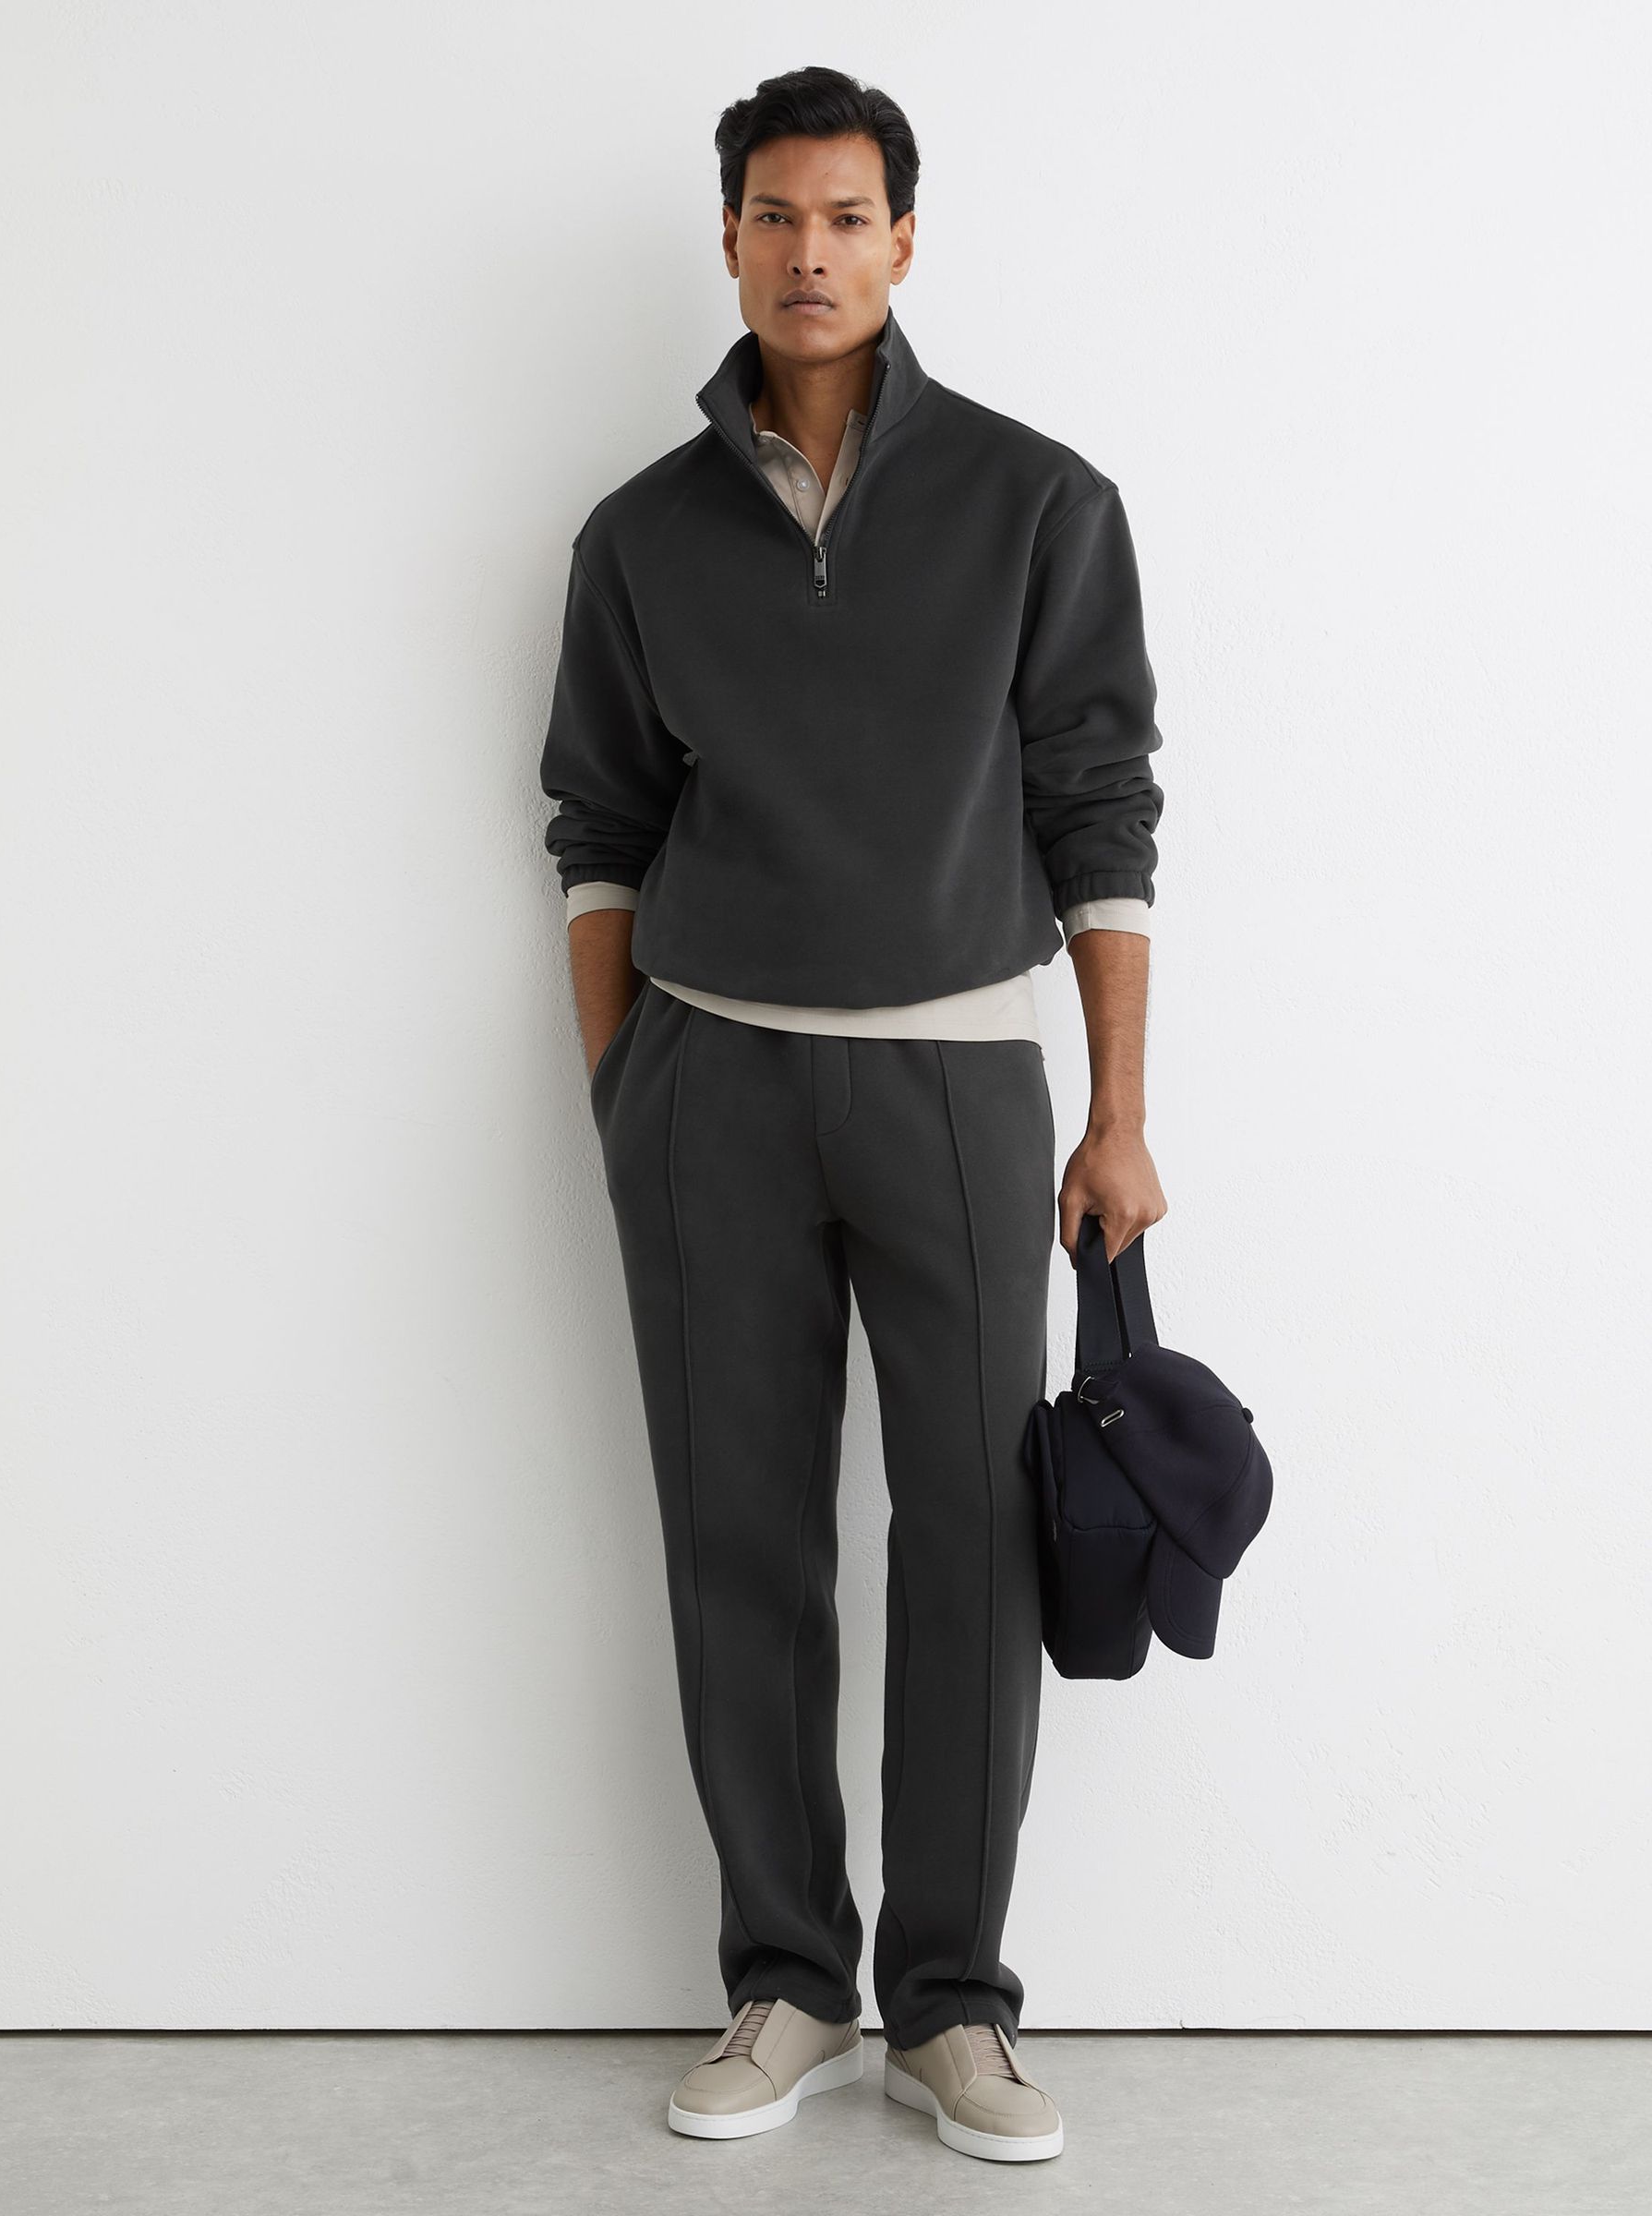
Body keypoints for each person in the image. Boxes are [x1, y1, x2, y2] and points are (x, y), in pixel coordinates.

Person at [537, 65, 1167, 2165]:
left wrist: (1118, 1114)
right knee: (740, 1534)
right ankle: (790, 1980)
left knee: (976, 1539)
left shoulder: (1038, 502)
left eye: (845, 217)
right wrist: (625, 1090)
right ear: (728, 238)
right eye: (773, 216)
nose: (808, 253)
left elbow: (1101, 814)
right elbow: (599, 830)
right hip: (708, 1082)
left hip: (963, 1077)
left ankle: (954, 2008)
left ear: (905, 239)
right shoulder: (640, 534)